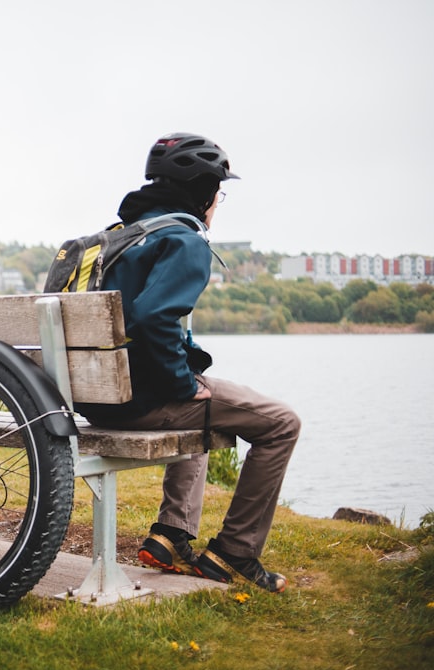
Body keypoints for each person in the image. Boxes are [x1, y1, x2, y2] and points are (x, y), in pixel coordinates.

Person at [73, 132, 301, 592]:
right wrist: (182, 383)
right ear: (203, 191)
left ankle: (171, 536)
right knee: (281, 422)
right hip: (139, 402)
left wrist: (183, 378)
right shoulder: (183, 240)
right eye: (218, 191)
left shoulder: (106, 242)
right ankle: (236, 552)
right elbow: (153, 318)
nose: (219, 201)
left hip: (93, 400)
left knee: (198, 395)